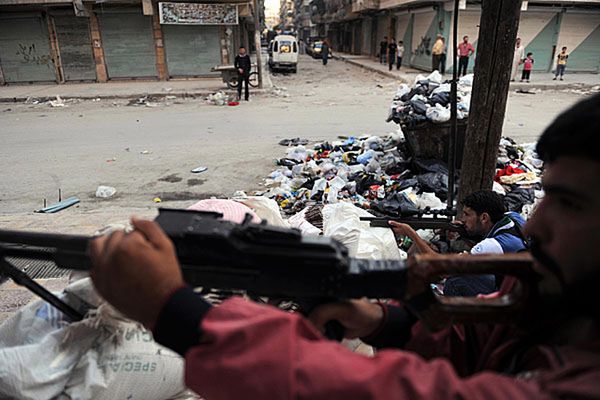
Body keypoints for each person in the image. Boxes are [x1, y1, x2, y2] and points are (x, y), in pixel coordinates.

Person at [90, 94, 600, 399]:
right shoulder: (563, 298)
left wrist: (180, 315)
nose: (534, 224)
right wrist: (384, 322)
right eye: (546, 197)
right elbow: (483, 343)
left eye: (571, 204)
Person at [389, 190, 527, 296]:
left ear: (484, 217)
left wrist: (410, 233)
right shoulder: (512, 217)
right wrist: (463, 233)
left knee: (454, 281)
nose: (463, 219)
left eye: (467, 215)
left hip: (515, 299)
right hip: (524, 287)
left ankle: (465, 330)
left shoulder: (493, 245)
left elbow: (443, 269)